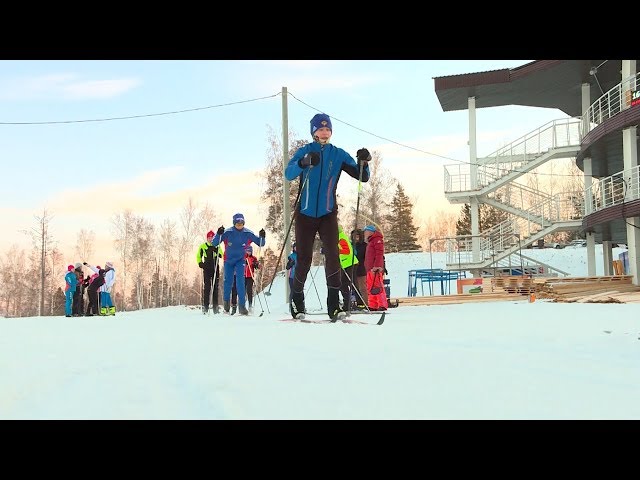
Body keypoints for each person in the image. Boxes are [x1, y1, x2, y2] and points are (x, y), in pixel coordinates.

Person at [284, 113, 371, 320]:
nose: (324, 132)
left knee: (333, 256)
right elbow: (288, 174)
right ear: (314, 132)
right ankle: (297, 301)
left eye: (327, 129)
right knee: (304, 259)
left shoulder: (337, 154)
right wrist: (304, 162)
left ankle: (334, 305)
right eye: (320, 129)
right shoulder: (305, 151)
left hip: (328, 213)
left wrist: (364, 162)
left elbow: (362, 176)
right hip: (304, 214)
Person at [212, 213, 265, 316]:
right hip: (229, 260)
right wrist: (219, 234)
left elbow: (260, 243)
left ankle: (242, 307)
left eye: (241, 223)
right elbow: (214, 243)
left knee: (240, 282)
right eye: (238, 223)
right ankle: (226, 306)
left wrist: (262, 236)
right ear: (234, 223)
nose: (240, 225)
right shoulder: (228, 232)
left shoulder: (247, 233)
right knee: (228, 281)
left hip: (241, 260)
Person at [363, 225, 388, 311]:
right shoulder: (371, 241)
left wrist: (377, 266)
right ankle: (373, 305)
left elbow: (379, 253)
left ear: (370, 231)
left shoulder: (377, 240)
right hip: (370, 268)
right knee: (371, 287)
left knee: (378, 286)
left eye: (366, 231)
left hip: (375, 268)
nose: (365, 233)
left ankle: (382, 304)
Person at [196, 230, 222, 314]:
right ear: (207, 238)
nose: (211, 239)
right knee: (207, 287)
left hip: (215, 268)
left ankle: (215, 307)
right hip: (207, 268)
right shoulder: (203, 246)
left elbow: (221, 255)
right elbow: (198, 256)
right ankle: (205, 306)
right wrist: (200, 263)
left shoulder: (217, 246)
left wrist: (216, 250)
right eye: (209, 238)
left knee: (215, 288)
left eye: (212, 238)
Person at [337, 225, 359, 311]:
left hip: (350, 263)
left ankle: (360, 303)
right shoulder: (339, 237)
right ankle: (347, 303)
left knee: (352, 284)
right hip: (346, 264)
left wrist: (335, 250)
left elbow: (346, 250)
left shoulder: (340, 237)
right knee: (343, 284)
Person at [351, 228, 368, 309]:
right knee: (355, 287)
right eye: (354, 236)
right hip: (352, 269)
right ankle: (356, 303)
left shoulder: (364, 246)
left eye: (357, 236)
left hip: (361, 268)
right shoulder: (351, 245)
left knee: (362, 287)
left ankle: (365, 303)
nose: (355, 238)